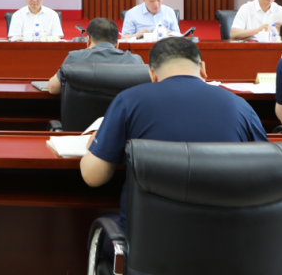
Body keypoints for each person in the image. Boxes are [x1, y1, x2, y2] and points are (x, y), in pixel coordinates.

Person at [80, 37, 267, 255]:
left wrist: (98, 141)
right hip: (227, 246)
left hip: (148, 248)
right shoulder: (241, 106)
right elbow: (267, 174)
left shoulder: (128, 101)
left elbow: (93, 177)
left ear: (152, 75)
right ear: (203, 68)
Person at [47, 18, 143, 95]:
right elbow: (145, 90)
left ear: (88, 40)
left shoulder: (74, 58)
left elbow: (53, 88)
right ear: (117, 44)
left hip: (83, 114)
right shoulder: (135, 60)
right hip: (121, 114)